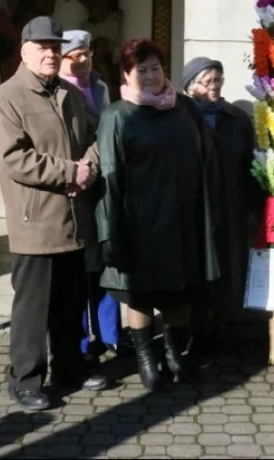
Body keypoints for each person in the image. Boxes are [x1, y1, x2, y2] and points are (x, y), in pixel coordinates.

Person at [0, 16, 112, 412]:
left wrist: (87, 169)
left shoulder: (70, 95)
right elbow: (14, 159)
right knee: (32, 308)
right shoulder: (6, 99)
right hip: (35, 222)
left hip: (74, 217)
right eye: (42, 47)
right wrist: (70, 172)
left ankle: (70, 368)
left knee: (70, 302)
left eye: (55, 47)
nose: (51, 54)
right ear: (24, 51)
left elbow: (94, 138)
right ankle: (24, 380)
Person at [95, 39, 220, 391]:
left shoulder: (184, 109)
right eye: (141, 70)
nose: (150, 76)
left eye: (155, 68)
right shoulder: (116, 116)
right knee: (141, 294)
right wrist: (109, 231)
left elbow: (207, 159)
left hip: (182, 220)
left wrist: (209, 212)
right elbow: (108, 175)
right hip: (138, 224)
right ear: (126, 74)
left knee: (180, 293)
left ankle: (174, 353)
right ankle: (147, 360)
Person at [58, 30, 131, 361]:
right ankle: (83, 340)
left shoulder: (100, 85)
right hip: (73, 186)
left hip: (102, 185)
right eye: (75, 56)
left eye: (86, 53)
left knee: (103, 263)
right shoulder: (57, 90)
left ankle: (111, 335)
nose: (83, 60)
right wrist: (79, 171)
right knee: (79, 271)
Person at [181, 56, 260, 353]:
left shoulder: (236, 118)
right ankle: (194, 327)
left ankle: (221, 324)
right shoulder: (180, 116)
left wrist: (253, 204)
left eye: (218, 80)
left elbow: (250, 163)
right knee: (197, 268)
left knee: (228, 266)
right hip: (194, 209)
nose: (214, 87)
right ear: (190, 87)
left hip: (230, 205)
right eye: (207, 81)